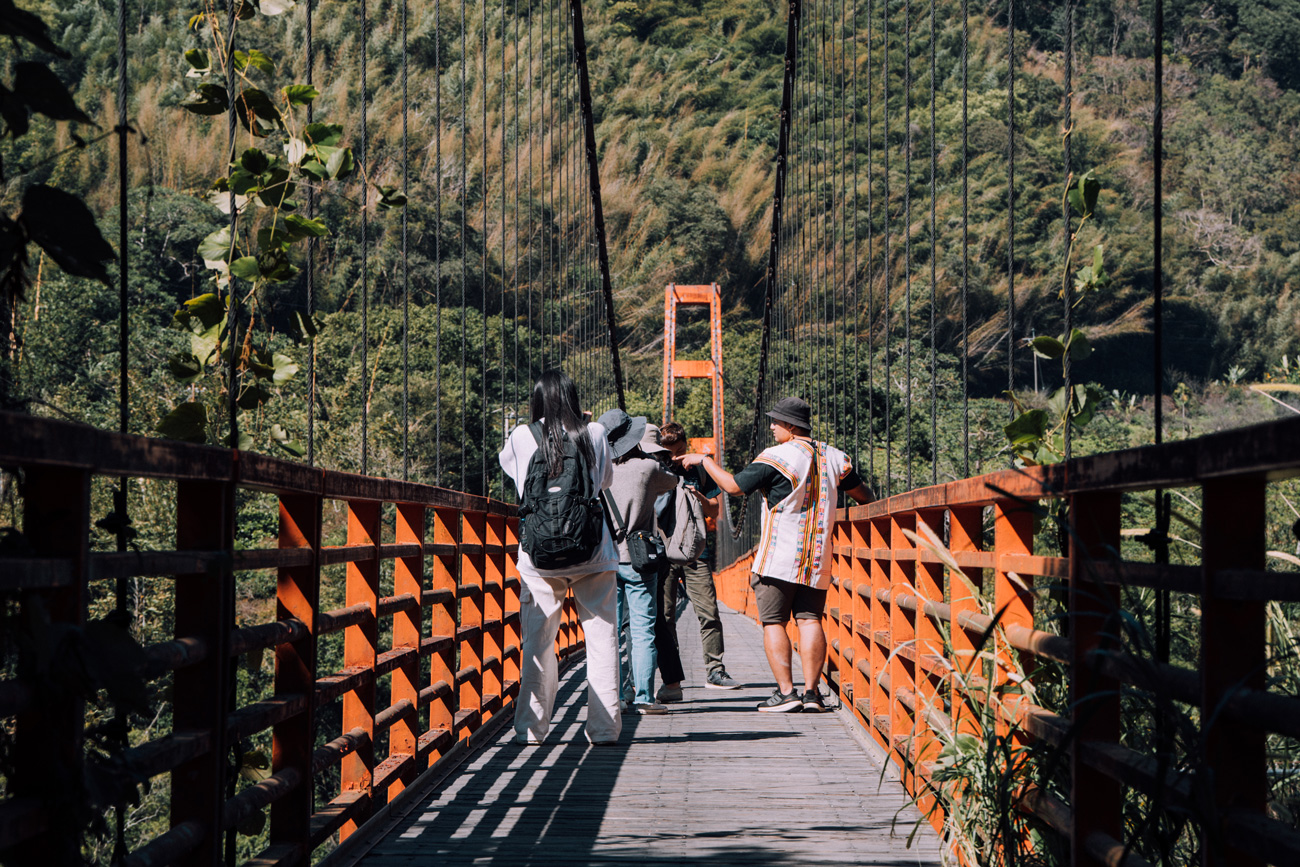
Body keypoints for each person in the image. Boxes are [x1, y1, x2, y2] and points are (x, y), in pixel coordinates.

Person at [678, 396, 872, 713]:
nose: (771, 426)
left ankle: (786, 693)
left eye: (776, 422)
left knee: (773, 622)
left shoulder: (776, 456)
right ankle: (812, 694)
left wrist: (705, 461)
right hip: (819, 557)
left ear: (791, 426)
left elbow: (733, 487)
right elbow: (864, 496)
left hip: (778, 558)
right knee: (810, 620)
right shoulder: (836, 457)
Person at [498, 370, 621, 744]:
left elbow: (514, 477)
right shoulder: (595, 432)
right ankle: (603, 729)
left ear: (537, 400)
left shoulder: (521, 435)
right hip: (593, 552)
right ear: (572, 397)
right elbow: (604, 484)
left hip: (539, 557)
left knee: (538, 643)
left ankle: (531, 729)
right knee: (602, 641)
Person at [597, 409, 679, 715]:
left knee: (611, 630)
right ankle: (644, 697)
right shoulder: (647, 467)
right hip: (640, 558)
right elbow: (672, 482)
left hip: (604, 560)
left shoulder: (598, 470)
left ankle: (615, 696)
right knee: (643, 629)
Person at [653, 422, 740, 703]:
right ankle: (672, 677)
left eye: (680, 451)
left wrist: (700, 499)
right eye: (670, 453)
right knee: (664, 617)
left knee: (709, 611)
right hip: (663, 551)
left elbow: (717, 511)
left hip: (695, 552)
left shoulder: (700, 470)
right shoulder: (654, 469)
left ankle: (715, 671)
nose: (676, 459)